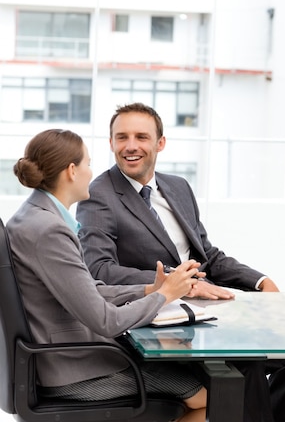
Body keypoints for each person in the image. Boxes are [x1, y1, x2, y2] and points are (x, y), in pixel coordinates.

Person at [75, 102, 285, 422]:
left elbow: (208, 255)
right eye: (122, 137)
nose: (131, 146)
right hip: (160, 321)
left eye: (141, 137)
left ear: (160, 143)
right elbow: (100, 270)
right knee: (248, 363)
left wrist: (260, 281)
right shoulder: (99, 194)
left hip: (209, 309)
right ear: (111, 143)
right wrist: (179, 282)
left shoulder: (178, 187)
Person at [7, 129, 207, 422]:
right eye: (88, 163)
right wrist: (166, 295)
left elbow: (89, 289)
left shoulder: (33, 216)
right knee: (212, 397)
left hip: (63, 362)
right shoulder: (49, 230)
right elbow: (106, 321)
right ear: (72, 171)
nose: (92, 172)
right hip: (77, 372)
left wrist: (149, 291)